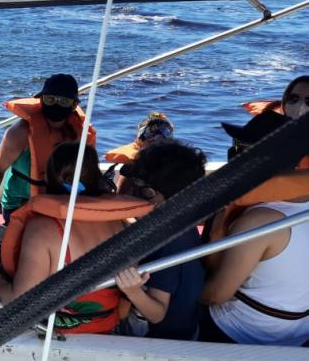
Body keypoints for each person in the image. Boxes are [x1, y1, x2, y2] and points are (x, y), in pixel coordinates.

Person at [0, 142, 152, 334]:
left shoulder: (41, 230)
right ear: (97, 177)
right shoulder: (125, 225)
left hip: (49, 337)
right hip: (108, 334)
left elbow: (21, 305)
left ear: (48, 178)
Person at [200, 111, 309, 346]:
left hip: (248, 329)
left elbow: (216, 296)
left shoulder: (259, 223)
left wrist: (188, 295)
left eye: (239, 150)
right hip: (301, 329)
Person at [0, 74, 95, 269]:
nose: (56, 105)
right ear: (41, 100)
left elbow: (86, 179)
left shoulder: (80, 136)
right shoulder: (20, 132)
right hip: (19, 202)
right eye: (50, 99)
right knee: (12, 251)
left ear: (73, 106)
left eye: (64, 101)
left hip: (58, 202)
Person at [114, 141, 207, 340]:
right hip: (189, 326)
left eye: (139, 189)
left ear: (151, 194)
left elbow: (157, 313)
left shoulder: (168, 246)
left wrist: (133, 291)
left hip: (162, 338)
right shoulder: (182, 224)